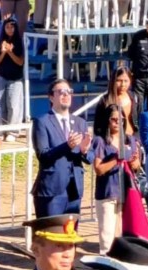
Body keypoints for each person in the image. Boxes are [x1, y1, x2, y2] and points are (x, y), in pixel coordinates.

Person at [31, 79, 92, 217]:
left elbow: (90, 157)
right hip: (52, 189)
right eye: (61, 92)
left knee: (70, 235)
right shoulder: (42, 121)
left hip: (74, 188)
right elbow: (43, 155)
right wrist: (67, 146)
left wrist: (85, 151)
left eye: (69, 92)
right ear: (51, 97)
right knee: (51, 235)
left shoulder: (80, 123)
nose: (66, 95)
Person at [91, 104, 142, 254]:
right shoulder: (100, 141)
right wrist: (116, 159)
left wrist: (133, 161)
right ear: (107, 121)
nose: (117, 123)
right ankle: (107, 264)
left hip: (127, 192)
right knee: (107, 236)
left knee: (123, 233)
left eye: (121, 119)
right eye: (114, 119)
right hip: (108, 193)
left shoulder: (130, 140)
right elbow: (99, 169)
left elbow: (137, 165)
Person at [91, 66, 143, 137]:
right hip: (112, 142)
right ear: (113, 81)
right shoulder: (105, 101)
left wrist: (137, 139)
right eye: (119, 80)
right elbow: (97, 127)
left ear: (130, 81)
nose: (123, 85)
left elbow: (141, 122)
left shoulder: (135, 98)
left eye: (126, 81)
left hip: (132, 140)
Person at [0, 17, 24, 134]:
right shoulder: (0, 42)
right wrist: (3, 52)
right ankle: (1, 130)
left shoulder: (19, 42)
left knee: (13, 105)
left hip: (15, 78)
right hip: (2, 76)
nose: (10, 29)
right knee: (0, 104)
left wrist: (10, 52)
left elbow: (20, 62)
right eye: (7, 27)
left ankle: (12, 132)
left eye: (12, 27)